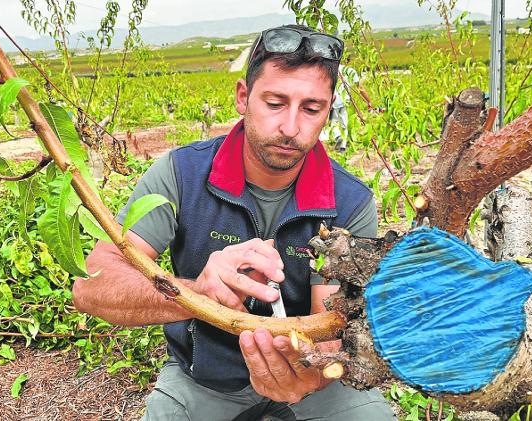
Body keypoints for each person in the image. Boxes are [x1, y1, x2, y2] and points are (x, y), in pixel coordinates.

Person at [72, 24, 395, 421]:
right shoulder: (180, 174)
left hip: (309, 379)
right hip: (203, 379)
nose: (291, 127)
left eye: (311, 109)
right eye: (275, 103)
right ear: (243, 97)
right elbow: (92, 286)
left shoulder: (350, 201)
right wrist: (194, 292)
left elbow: (332, 322)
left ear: (328, 111)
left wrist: (311, 375)